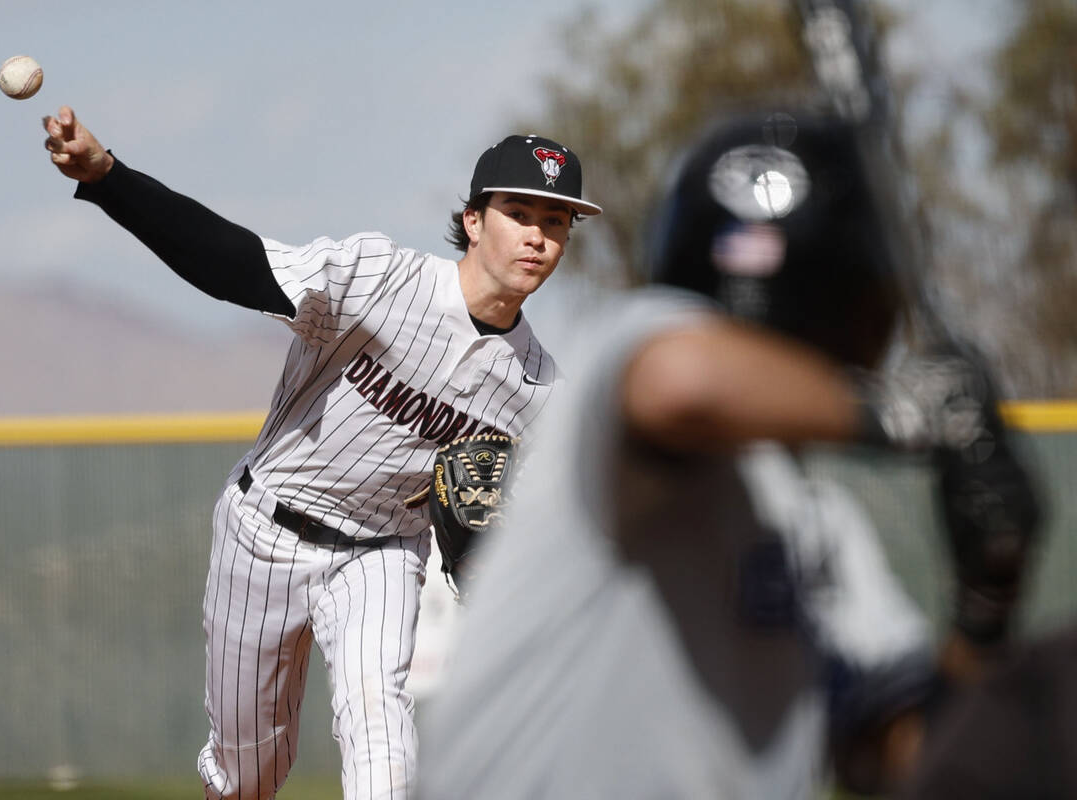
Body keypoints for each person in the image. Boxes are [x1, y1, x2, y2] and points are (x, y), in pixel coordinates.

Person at [412, 108, 1042, 799]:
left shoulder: (819, 530)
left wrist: (984, 613)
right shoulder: (620, 363)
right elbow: (683, 384)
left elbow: (903, 765)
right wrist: (901, 413)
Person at [39, 106, 601, 800]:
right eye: (521, 213)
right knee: (251, 771)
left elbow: (561, 524)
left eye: (557, 224)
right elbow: (234, 266)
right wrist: (108, 178)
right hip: (266, 528)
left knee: (382, 740)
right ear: (476, 221)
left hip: (383, 553)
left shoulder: (539, 388)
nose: (539, 238)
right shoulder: (381, 278)